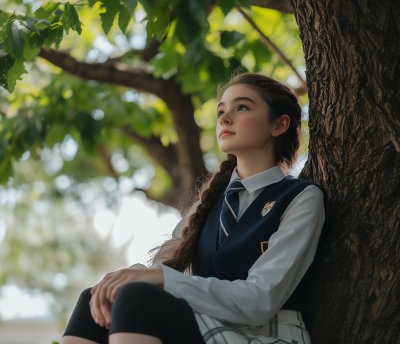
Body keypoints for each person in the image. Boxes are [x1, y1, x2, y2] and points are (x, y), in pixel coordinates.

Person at [60, 72, 328, 344]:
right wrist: (121, 278)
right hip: (204, 325)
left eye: (242, 107)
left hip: (267, 334)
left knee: (135, 296)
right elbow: (162, 271)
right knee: (95, 297)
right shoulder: (209, 202)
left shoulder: (302, 197)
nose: (224, 118)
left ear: (279, 124)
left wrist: (159, 278)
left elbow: (259, 301)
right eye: (221, 111)